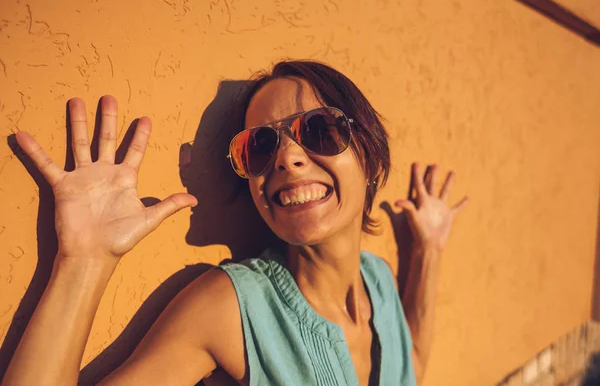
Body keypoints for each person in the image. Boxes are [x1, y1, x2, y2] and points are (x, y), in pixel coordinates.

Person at [2, 60, 468, 386]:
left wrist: (428, 251)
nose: (286, 157)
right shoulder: (229, 308)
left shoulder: (380, 280)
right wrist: (84, 261)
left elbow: (413, 370)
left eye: (319, 129)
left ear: (367, 152)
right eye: (260, 147)